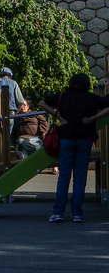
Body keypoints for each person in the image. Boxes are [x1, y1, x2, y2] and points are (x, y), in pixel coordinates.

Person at [41, 72, 109, 222]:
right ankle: (77, 213)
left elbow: (42, 103)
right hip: (85, 138)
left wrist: (57, 115)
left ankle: (58, 212)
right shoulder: (92, 98)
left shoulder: (63, 96)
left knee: (64, 176)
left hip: (66, 138)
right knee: (80, 177)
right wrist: (93, 118)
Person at [0, 66, 24, 164]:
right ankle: (4, 163)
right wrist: (15, 113)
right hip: (10, 114)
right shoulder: (14, 83)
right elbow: (21, 102)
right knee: (6, 140)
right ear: (10, 75)